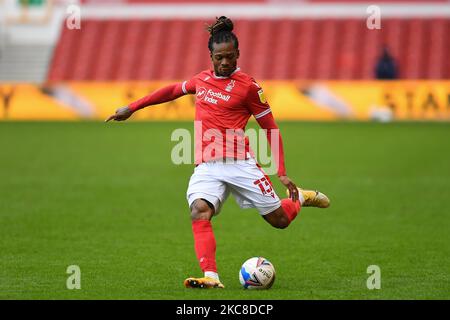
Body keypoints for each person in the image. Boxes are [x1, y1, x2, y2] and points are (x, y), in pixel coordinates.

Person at [106, 16, 330, 289]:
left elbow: (271, 127)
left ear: (238, 55)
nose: (225, 63)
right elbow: (173, 91)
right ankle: (211, 277)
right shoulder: (201, 80)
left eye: (230, 58)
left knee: (280, 221)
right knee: (199, 211)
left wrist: (281, 172)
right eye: (219, 58)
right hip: (207, 166)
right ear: (210, 56)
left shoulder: (249, 87)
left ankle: (300, 200)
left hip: (241, 164)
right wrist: (132, 107)